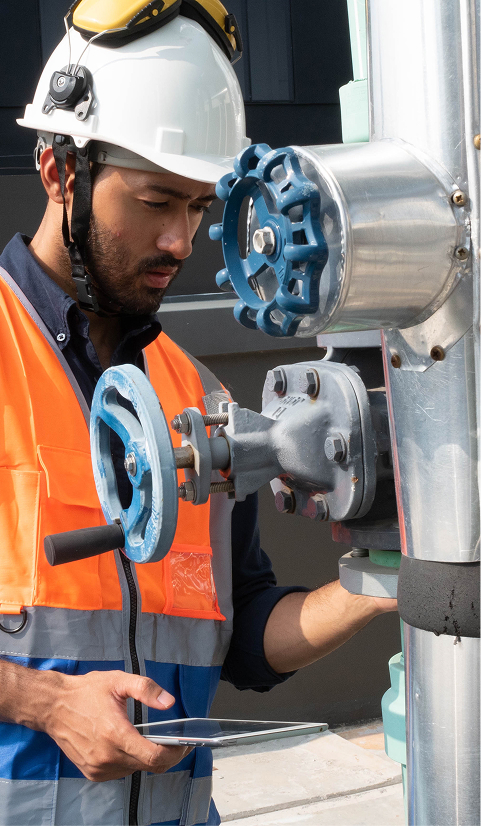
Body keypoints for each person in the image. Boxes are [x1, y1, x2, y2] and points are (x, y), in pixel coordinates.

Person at [0, 3, 397, 825]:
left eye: (199, 208)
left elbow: (249, 638)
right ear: (59, 172)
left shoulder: (199, 398)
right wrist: (38, 699)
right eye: (155, 201)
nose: (182, 243)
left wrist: (391, 577)